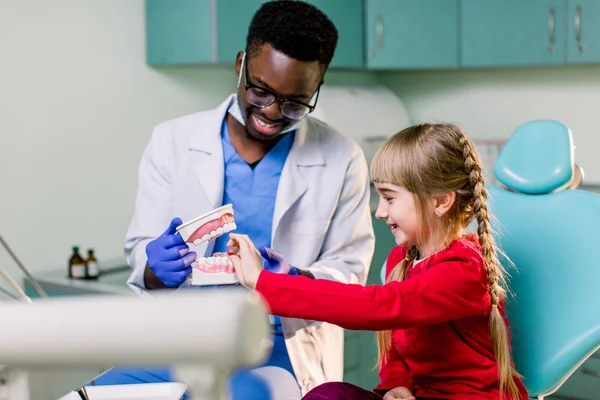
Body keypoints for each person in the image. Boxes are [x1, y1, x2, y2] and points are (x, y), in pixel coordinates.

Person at [93, 1, 375, 398]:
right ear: (241, 64)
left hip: (279, 347)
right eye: (260, 90)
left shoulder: (342, 157)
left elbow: (350, 271)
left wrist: (299, 281)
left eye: (295, 102)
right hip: (180, 338)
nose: (272, 113)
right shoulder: (172, 142)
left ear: (318, 87)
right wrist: (157, 267)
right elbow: (142, 255)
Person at [226, 123, 530, 400]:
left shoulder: (465, 270)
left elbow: (379, 307)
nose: (380, 212)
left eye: (390, 197)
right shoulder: (403, 259)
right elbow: (398, 343)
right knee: (328, 395)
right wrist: (397, 384)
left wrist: (267, 284)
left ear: (440, 201)